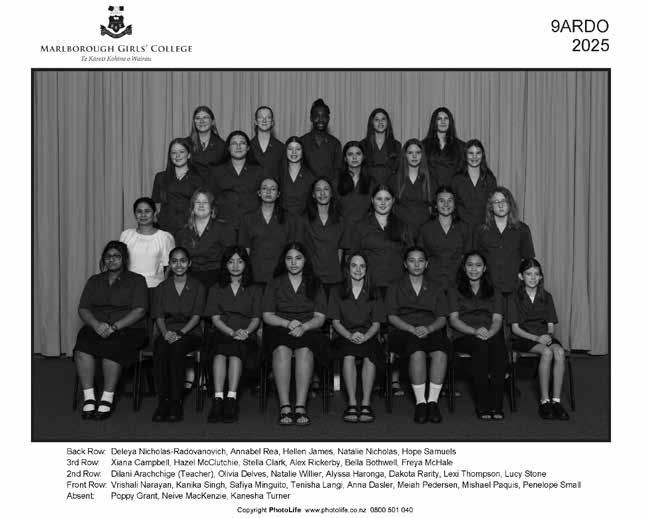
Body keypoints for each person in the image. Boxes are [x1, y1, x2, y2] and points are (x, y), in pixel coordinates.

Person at [74, 241, 148, 419]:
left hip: (128, 328)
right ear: (103, 259)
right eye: (108, 256)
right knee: (82, 344)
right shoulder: (94, 280)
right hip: (98, 326)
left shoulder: (137, 280)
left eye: (116, 256)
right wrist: (96, 325)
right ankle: (89, 397)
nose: (112, 260)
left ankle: (107, 398)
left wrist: (114, 327)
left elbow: (140, 310)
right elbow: (83, 308)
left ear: (124, 259)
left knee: (112, 346)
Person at [262, 243, 327, 426]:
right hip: (280, 326)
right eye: (289, 258)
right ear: (284, 261)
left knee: (305, 350)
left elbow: (320, 317)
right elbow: (267, 315)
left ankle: (300, 406)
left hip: (308, 328)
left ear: (305, 261)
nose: (293, 263)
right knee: (281, 350)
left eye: (298, 258)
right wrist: (287, 323)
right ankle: (285, 406)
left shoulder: (315, 283)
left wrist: (304, 327)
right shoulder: (275, 282)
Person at [385, 247, 450, 424]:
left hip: (429, 329)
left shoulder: (436, 287)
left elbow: (442, 317)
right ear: (405, 264)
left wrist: (429, 328)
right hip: (403, 331)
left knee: (441, 352)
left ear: (426, 264)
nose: (416, 264)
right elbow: (391, 317)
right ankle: (421, 403)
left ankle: (432, 403)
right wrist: (410, 328)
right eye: (412, 260)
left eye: (421, 260)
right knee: (417, 351)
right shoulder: (394, 286)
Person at [204, 246, 262, 423]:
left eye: (240, 261)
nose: (235, 266)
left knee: (236, 351)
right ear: (225, 264)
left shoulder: (254, 288)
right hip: (222, 332)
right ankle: (218, 399)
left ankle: (231, 399)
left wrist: (246, 332)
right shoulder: (216, 288)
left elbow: (256, 318)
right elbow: (215, 318)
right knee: (220, 352)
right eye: (231, 262)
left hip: (246, 335)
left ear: (246, 264)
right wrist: (231, 332)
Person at [448, 251, 507, 420]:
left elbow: (497, 320)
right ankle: (483, 404)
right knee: (480, 346)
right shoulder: (454, 290)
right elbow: (454, 320)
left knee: (497, 346)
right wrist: (474, 331)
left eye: (478, 265)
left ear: (485, 268)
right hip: (463, 335)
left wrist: (489, 333)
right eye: (470, 265)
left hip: (490, 333)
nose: (474, 269)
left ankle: (496, 405)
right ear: (464, 267)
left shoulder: (495, 291)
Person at [509, 258, 569, 420]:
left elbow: (550, 325)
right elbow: (515, 329)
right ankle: (544, 401)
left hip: (544, 336)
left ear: (541, 277)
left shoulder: (547, 296)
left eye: (536, 274)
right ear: (521, 276)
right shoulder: (513, 298)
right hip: (523, 337)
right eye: (528, 274)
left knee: (559, 352)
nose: (533, 277)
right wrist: (537, 338)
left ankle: (556, 401)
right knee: (547, 353)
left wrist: (547, 336)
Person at [328, 252, 385, 423]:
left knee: (371, 354)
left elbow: (377, 323)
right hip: (344, 335)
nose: (358, 270)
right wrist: (349, 335)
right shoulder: (337, 291)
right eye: (354, 265)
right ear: (347, 268)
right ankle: (352, 403)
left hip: (369, 335)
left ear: (367, 269)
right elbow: (335, 321)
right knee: (348, 355)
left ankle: (366, 403)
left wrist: (366, 337)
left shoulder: (375, 291)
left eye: (362, 266)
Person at [151, 247, 205, 423]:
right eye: (174, 261)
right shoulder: (162, 287)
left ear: (189, 263)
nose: (178, 265)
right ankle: (163, 401)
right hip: (167, 331)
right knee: (160, 347)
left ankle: (176, 402)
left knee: (177, 347)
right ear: (169, 264)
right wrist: (165, 333)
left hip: (190, 332)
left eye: (183, 261)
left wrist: (181, 333)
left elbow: (197, 316)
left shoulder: (198, 286)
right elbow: (159, 316)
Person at [345, 184, 413, 293]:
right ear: (372, 200)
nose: (383, 203)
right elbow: (352, 257)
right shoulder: (360, 226)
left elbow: (411, 257)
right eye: (379, 199)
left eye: (387, 199)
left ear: (393, 201)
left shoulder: (403, 226)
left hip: (397, 287)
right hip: (370, 287)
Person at [474, 187, 535, 295]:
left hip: (514, 290)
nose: (500, 205)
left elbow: (528, 261)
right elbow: (475, 261)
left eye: (504, 201)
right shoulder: (481, 230)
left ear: (510, 204)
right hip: (488, 291)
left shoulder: (522, 229)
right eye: (496, 202)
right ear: (491, 206)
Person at [239, 177, 299, 285]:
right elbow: (245, 249)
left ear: (278, 194)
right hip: (255, 274)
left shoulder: (288, 218)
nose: (268, 192)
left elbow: (292, 249)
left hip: (281, 275)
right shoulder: (248, 218)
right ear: (259, 193)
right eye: (264, 188)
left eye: (273, 189)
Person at [174, 188, 236, 290]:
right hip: (190, 281)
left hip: (217, 281)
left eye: (205, 202)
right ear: (192, 207)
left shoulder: (224, 229)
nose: (201, 205)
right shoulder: (183, 232)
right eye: (198, 202)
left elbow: (230, 259)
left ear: (212, 207)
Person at [418, 186, 472, 291]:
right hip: (432, 284)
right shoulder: (425, 229)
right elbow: (420, 258)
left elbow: (468, 258)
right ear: (435, 205)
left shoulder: (464, 228)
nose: (446, 204)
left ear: (455, 204)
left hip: (457, 284)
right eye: (441, 201)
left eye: (450, 201)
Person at [208, 130, 264, 231]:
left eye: (242, 143)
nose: (238, 147)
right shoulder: (217, 171)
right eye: (234, 143)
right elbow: (210, 199)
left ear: (248, 148)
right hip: (224, 225)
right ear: (228, 148)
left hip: (252, 226)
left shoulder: (259, 171)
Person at [120, 197, 175, 288]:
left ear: (154, 213)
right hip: (129, 287)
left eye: (147, 211)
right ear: (134, 214)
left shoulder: (165, 237)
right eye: (139, 211)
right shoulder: (126, 235)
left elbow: (169, 269)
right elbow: (120, 264)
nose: (143, 215)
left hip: (155, 288)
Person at [301, 177, 345, 292]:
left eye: (326, 189)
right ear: (313, 195)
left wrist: (337, 270)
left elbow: (341, 249)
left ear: (331, 193)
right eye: (318, 190)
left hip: (335, 278)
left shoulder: (341, 221)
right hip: (312, 278)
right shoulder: (304, 220)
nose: (322, 193)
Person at [152, 138, 202, 236]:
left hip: (189, 230)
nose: (177, 156)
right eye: (174, 153)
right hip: (165, 230)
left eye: (181, 152)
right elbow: (157, 204)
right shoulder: (160, 177)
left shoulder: (198, 179)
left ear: (189, 155)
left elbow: (201, 206)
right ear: (170, 156)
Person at [389, 138, 436, 240]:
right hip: (401, 233)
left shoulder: (431, 180)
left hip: (424, 234)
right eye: (410, 153)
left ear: (422, 155)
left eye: (418, 152)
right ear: (405, 155)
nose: (414, 156)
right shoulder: (394, 179)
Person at [451, 139, 497, 228]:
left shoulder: (490, 179)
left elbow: (493, 206)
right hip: (461, 229)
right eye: (471, 153)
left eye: (478, 153)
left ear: (482, 155)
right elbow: (453, 207)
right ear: (465, 155)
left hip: (484, 228)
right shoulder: (456, 180)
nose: (474, 157)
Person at [300, 98, 343, 182]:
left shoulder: (335, 143)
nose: (320, 120)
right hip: (306, 188)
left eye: (324, 116)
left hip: (329, 188)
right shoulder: (302, 141)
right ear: (311, 118)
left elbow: (337, 172)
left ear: (328, 118)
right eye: (316, 116)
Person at [421, 107, 465, 187]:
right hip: (429, 191)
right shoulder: (423, 145)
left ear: (450, 122)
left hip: (453, 191)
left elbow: (463, 173)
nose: (443, 122)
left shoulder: (461, 146)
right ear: (434, 122)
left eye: (446, 119)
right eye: (439, 119)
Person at [187, 105, 226, 185]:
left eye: (205, 117)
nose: (201, 121)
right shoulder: (186, 143)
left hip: (213, 189)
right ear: (194, 122)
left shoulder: (222, 145)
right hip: (190, 188)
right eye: (198, 118)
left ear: (212, 122)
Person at [361, 108, 401, 186]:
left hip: (390, 187)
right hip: (368, 186)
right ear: (372, 123)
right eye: (376, 120)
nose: (380, 122)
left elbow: (399, 170)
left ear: (387, 122)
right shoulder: (363, 144)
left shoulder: (397, 145)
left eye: (383, 119)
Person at [337, 141, 373, 226]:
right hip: (341, 228)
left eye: (358, 154)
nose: (354, 157)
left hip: (365, 228)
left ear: (363, 157)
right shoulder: (335, 181)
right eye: (350, 154)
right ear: (345, 158)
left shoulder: (372, 182)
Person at [279, 136, 317, 217]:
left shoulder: (310, 176)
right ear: (285, 151)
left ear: (302, 152)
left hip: (304, 220)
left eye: (298, 149)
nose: (294, 152)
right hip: (282, 220)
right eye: (290, 149)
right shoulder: (278, 174)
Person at [250, 106, 285, 180]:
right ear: (255, 122)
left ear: (272, 122)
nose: (264, 120)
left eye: (268, 117)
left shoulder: (281, 148)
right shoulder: (247, 147)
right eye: (260, 117)